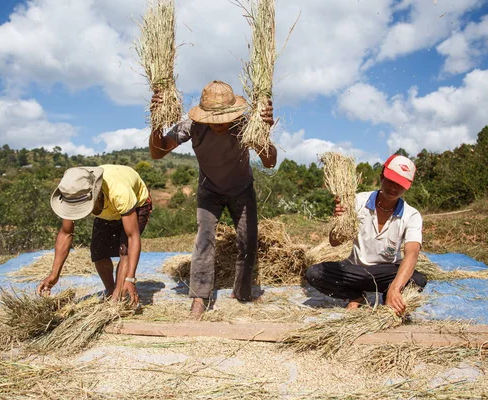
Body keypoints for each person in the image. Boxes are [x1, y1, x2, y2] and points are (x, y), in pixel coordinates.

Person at [149, 80, 277, 318]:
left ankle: (242, 291)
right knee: (204, 238)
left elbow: (270, 162)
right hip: (210, 190)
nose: (218, 124)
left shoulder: (245, 125)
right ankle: (200, 296)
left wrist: (264, 131)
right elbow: (158, 152)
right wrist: (156, 124)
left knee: (248, 240)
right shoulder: (193, 126)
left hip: (241, 189)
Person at [305, 154, 427, 315]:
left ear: (407, 186)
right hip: (356, 269)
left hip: (386, 273)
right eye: (390, 181)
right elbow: (335, 242)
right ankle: (355, 295)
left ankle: (389, 294)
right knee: (314, 273)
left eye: (399, 184)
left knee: (418, 281)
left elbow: (412, 253)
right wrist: (340, 223)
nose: (393, 188)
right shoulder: (357, 202)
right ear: (381, 176)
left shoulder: (411, 215)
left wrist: (396, 287)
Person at [37, 164, 152, 304]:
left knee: (124, 249)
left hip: (136, 204)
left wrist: (130, 279)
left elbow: (132, 237)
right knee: (98, 251)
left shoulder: (119, 192)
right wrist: (54, 274)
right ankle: (112, 293)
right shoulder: (73, 192)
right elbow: (66, 233)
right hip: (107, 209)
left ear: (96, 195)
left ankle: (118, 297)